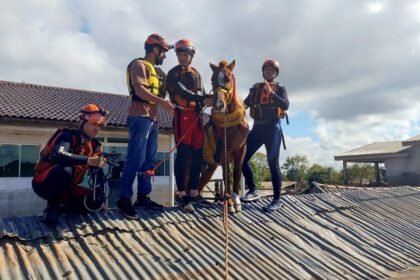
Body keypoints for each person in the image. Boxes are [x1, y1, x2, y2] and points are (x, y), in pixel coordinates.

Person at [118, 33, 175, 219]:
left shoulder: (158, 72)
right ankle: (124, 199)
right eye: (164, 52)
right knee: (136, 158)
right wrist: (163, 102)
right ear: (155, 50)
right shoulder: (139, 65)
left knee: (149, 160)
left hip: (153, 119)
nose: (165, 56)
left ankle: (143, 196)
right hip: (139, 116)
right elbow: (141, 91)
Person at [32, 104, 108, 226]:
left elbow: (97, 174)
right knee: (66, 170)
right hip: (44, 183)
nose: (97, 129)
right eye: (94, 124)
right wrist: (88, 160)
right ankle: (52, 209)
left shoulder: (95, 146)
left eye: (99, 125)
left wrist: (100, 200)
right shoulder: (68, 135)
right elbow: (59, 155)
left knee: (94, 203)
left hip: (69, 187)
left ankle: (64, 208)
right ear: (83, 122)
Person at [167, 39, 210, 212]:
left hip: (197, 117)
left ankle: (194, 192)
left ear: (191, 56)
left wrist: (213, 98)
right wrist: (202, 99)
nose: (183, 58)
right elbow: (182, 91)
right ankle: (181, 194)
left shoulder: (197, 73)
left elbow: (203, 93)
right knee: (183, 155)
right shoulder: (173, 73)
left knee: (198, 155)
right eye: (180, 55)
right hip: (182, 115)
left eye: (186, 55)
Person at [241, 59, 290, 212]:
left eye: (272, 70)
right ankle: (253, 191)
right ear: (263, 72)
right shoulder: (255, 89)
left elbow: (286, 105)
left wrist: (272, 94)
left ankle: (277, 200)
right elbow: (243, 106)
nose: (269, 72)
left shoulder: (280, 88)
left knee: (272, 164)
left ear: (276, 74)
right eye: (266, 70)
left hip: (272, 129)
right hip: (257, 129)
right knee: (242, 159)